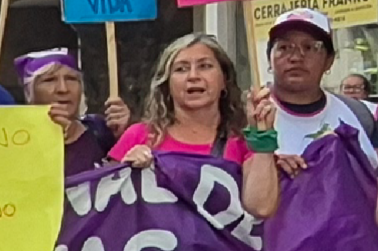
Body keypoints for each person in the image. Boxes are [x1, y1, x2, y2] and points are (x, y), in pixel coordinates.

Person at [106, 34, 282, 218]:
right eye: (181, 69)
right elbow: (104, 211)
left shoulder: (245, 140)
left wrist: (263, 136)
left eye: (205, 66)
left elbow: (261, 208)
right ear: (167, 84)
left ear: (224, 80)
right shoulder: (139, 136)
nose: (193, 76)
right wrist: (125, 173)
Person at [261, 9, 376, 166]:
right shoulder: (247, 115)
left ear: (329, 60)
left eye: (309, 47)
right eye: (284, 47)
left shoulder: (358, 114)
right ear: (269, 58)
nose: (295, 58)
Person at [16, 48, 107, 176]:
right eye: (49, 80)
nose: (63, 89)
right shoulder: (16, 139)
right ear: (29, 92)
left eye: (71, 79)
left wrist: (125, 132)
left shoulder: (99, 129)